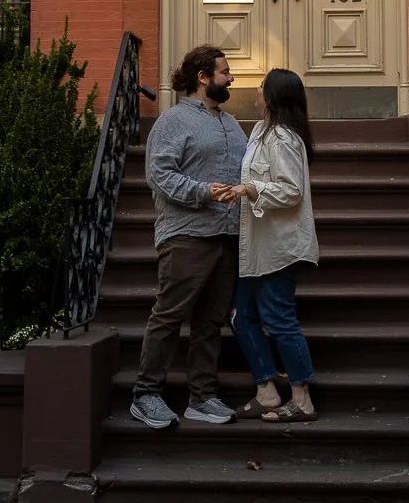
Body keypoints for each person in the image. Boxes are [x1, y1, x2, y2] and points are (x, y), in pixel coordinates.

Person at [128, 46, 248, 429]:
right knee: (169, 316)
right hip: (186, 235)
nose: (231, 78)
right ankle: (146, 395)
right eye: (225, 72)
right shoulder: (173, 120)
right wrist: (204, 191)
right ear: (203, 77)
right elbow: (159, 174)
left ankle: (202, 397)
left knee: (210, 323)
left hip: (227, 236)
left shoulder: (232, 123)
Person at [220, 67, 320, 423]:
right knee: (240, 316)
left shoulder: (285, 139)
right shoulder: (261, 131)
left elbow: (291, 191)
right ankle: (266, 391)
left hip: (279, 246)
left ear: (274, 96)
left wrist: (251, 189)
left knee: (279, 319)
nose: (257, 91)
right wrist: (237, 190)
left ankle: (301, 397)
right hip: (254, 245)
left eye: (262, 87)